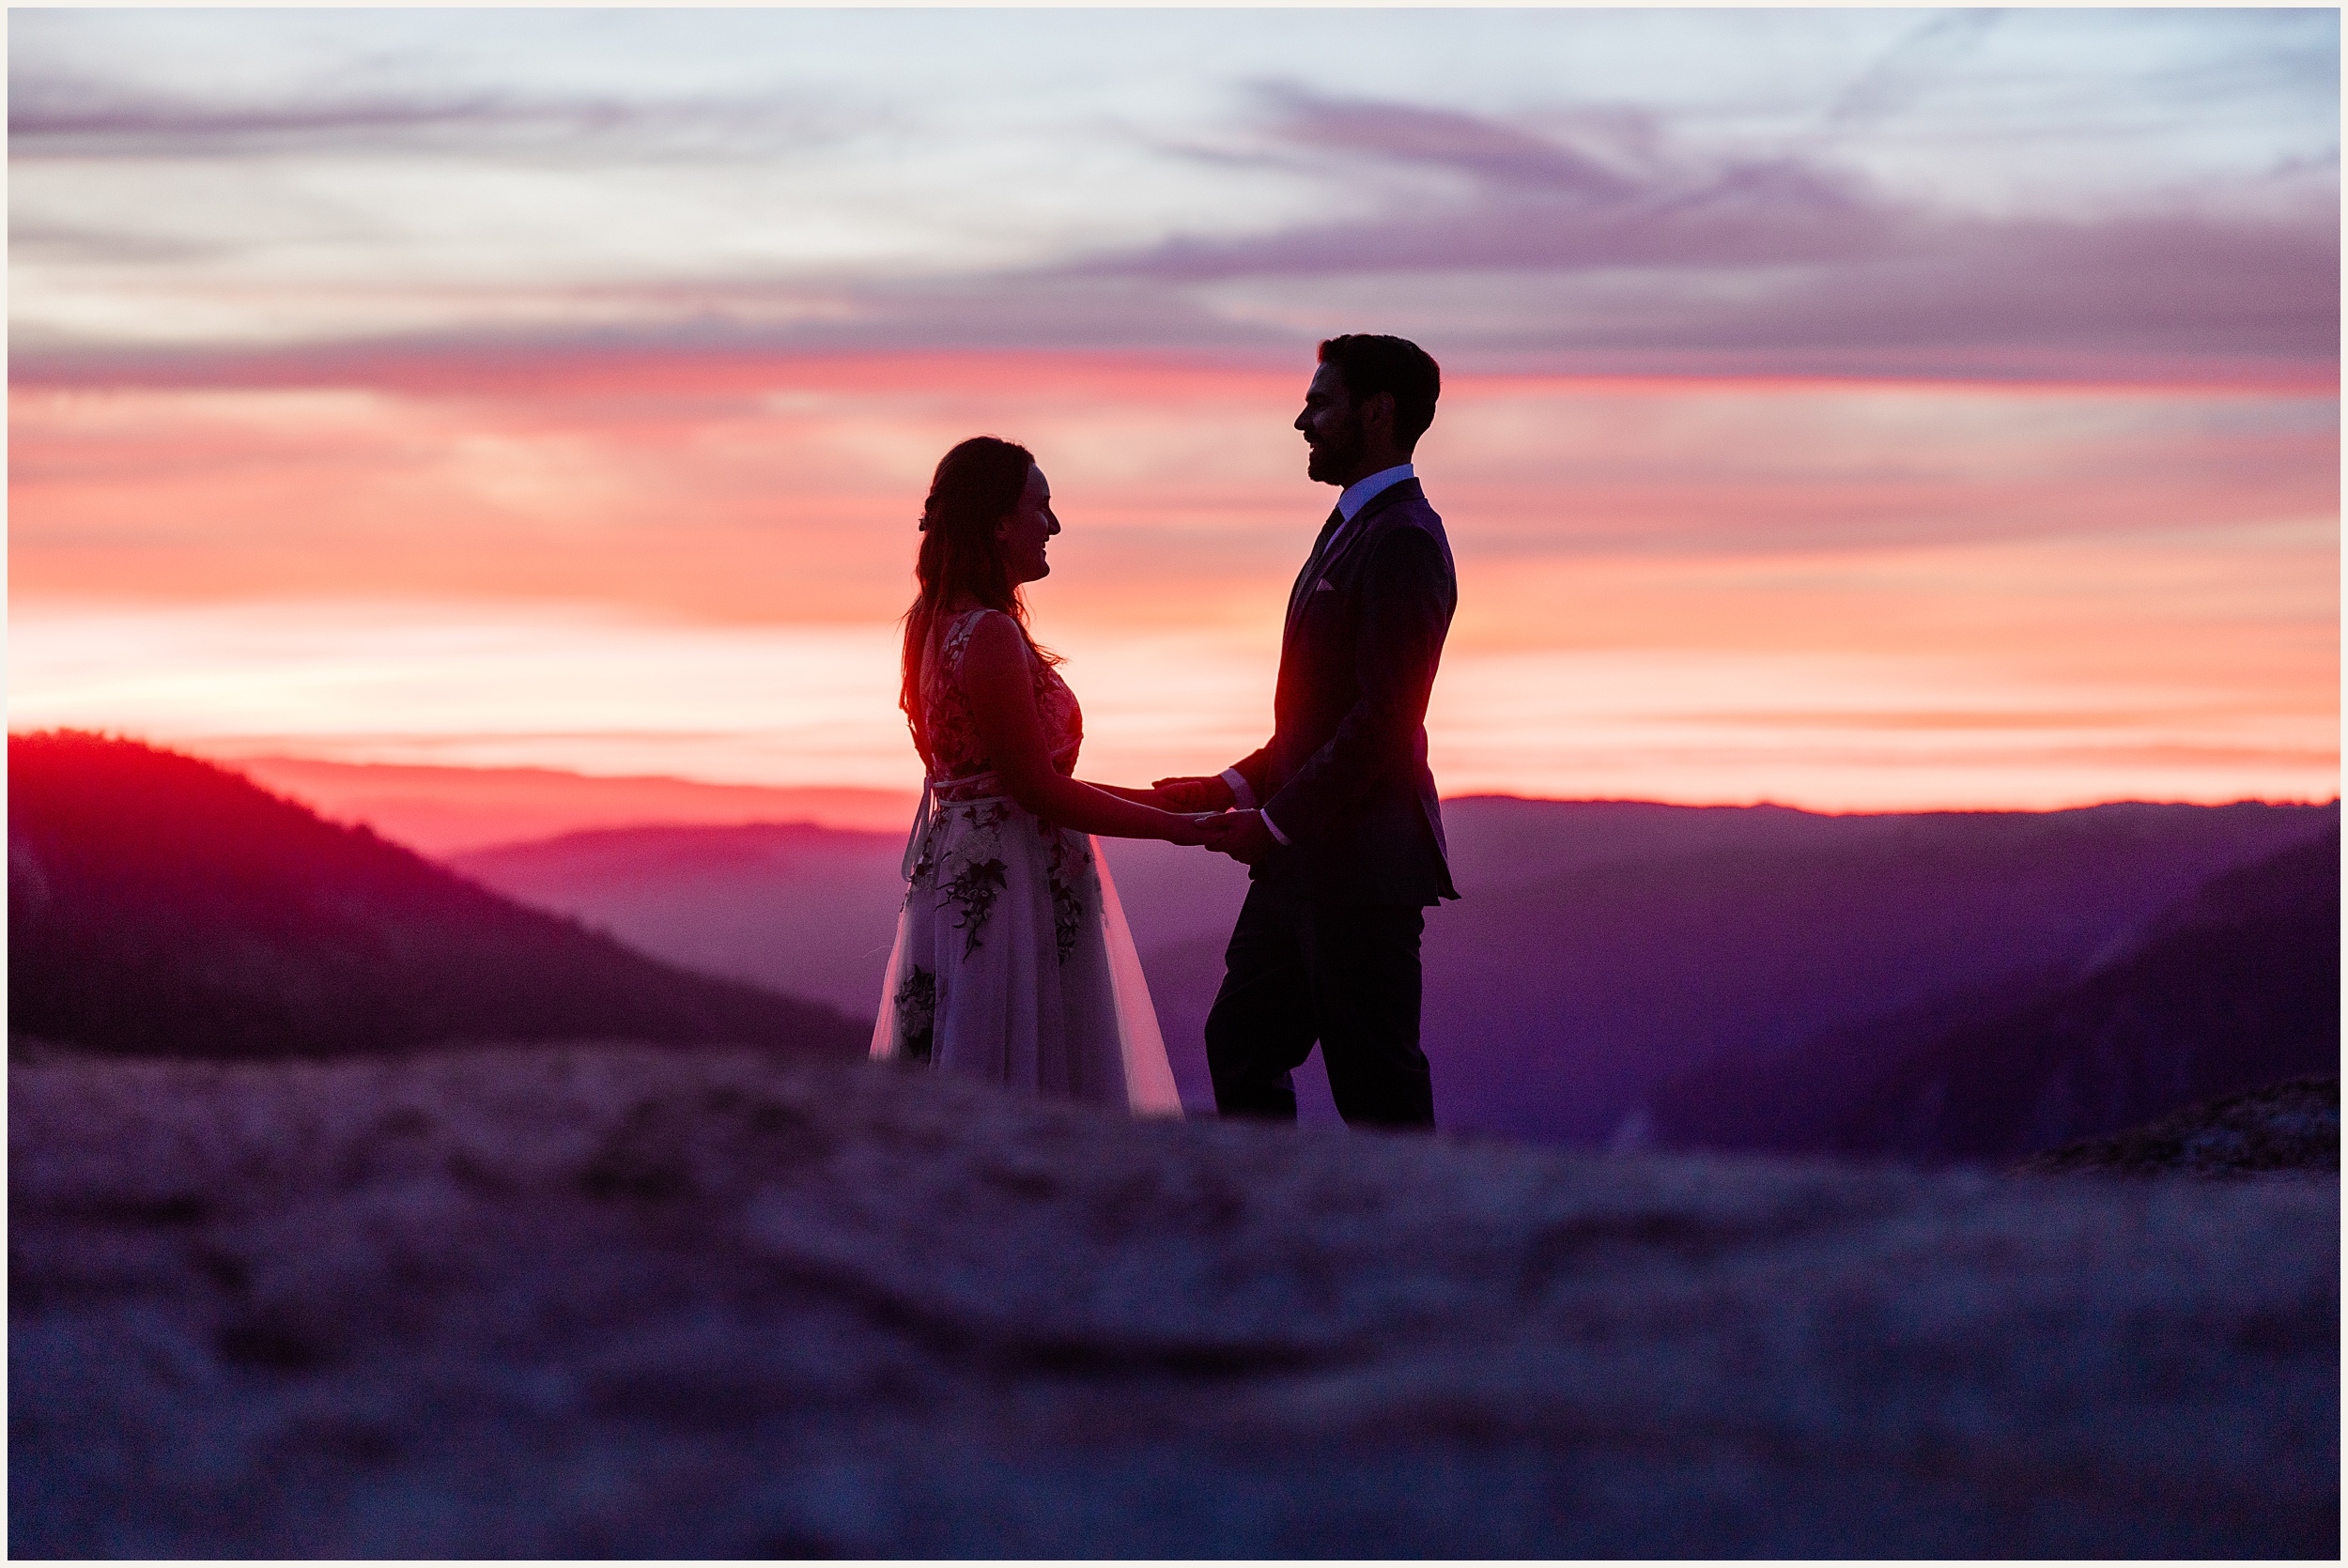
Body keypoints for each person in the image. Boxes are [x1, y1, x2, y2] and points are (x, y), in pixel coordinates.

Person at [1157, 334, 1460, 1129]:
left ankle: (1413, 1244)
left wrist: (1276, 822)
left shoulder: (1403, 540)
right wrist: (1232, 785)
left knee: (1378, 1090)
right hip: (1303, 864)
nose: (1302, 422)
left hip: (1360, 873)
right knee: (1242, 1044)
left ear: (1378, 412)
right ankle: (1278, 1224)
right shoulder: (1351, 527)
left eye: (1320, 403)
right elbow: (1319, 717)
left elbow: (1385, 722)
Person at [871, 436, 1205, 1115]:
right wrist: (1184, 829)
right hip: (1011, 887)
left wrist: (1170, 801)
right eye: (1041, 507)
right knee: (1025, 1078)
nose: (1052, 526)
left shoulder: (934, 626)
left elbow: (1006, 779)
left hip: (967, 874)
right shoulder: (989, 633)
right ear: (999, 522)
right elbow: (1037, 791)